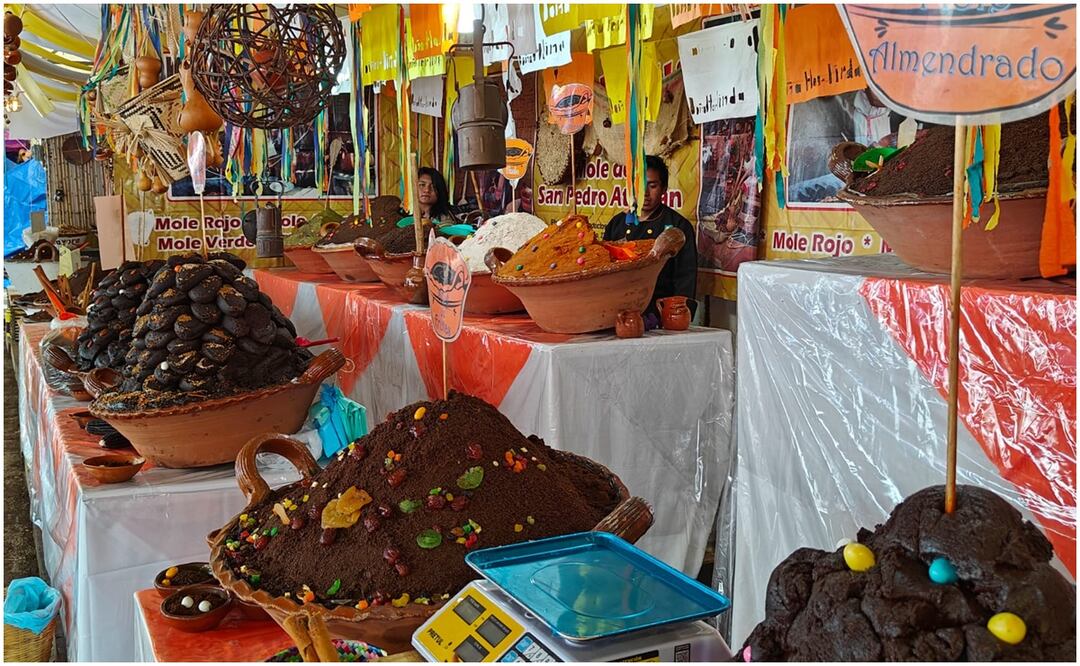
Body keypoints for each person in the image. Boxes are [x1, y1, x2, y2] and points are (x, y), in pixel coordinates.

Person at [603, 155, 698, 319]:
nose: (645, 193)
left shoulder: (678, 227)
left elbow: (685, 278)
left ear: (664, 188)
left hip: (658, 314)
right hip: (617, 313)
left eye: (652, 186)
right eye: (639, 185)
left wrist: (677, 315)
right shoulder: (616, 224)